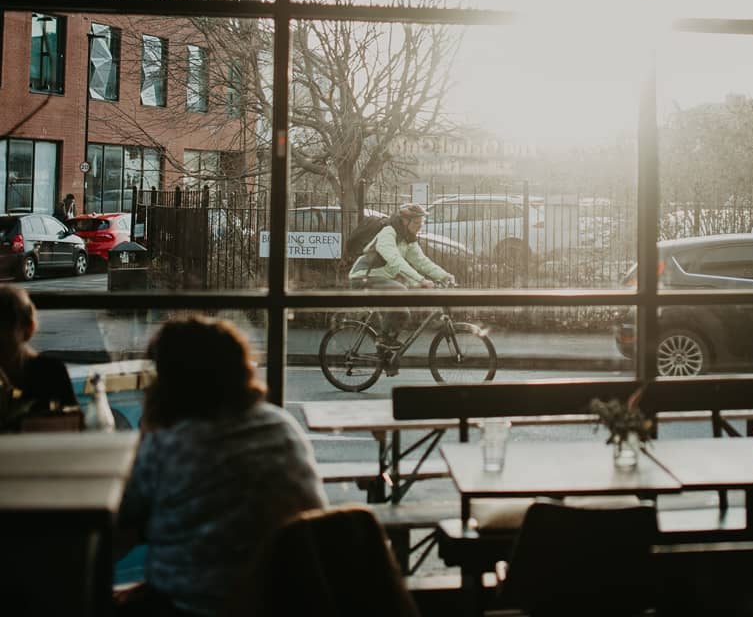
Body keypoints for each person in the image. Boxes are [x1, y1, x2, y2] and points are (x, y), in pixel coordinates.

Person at [115, 316, 327, 616]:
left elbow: (117, 523)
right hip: (291, 600)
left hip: (196, 606)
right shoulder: (281, 426)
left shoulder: (171, 445)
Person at [347, 203, 455, 343]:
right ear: (405, 221)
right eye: (417, 222)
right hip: (362, 279)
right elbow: (396, 261)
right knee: (399, 290)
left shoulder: (407, 239)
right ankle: (383, 342)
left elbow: (422, 262)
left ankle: (386, 352)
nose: (420, 226)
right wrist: (421, 280)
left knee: (403, 313)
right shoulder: (388, 233)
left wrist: (445, 275)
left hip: (381, 280)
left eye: (422, 222)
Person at [0, 283, 79, 414]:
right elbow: (74, 424)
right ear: (30, 329)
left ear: (27, 330)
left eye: (5, 328)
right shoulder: (52, 371)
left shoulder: (51, 372)